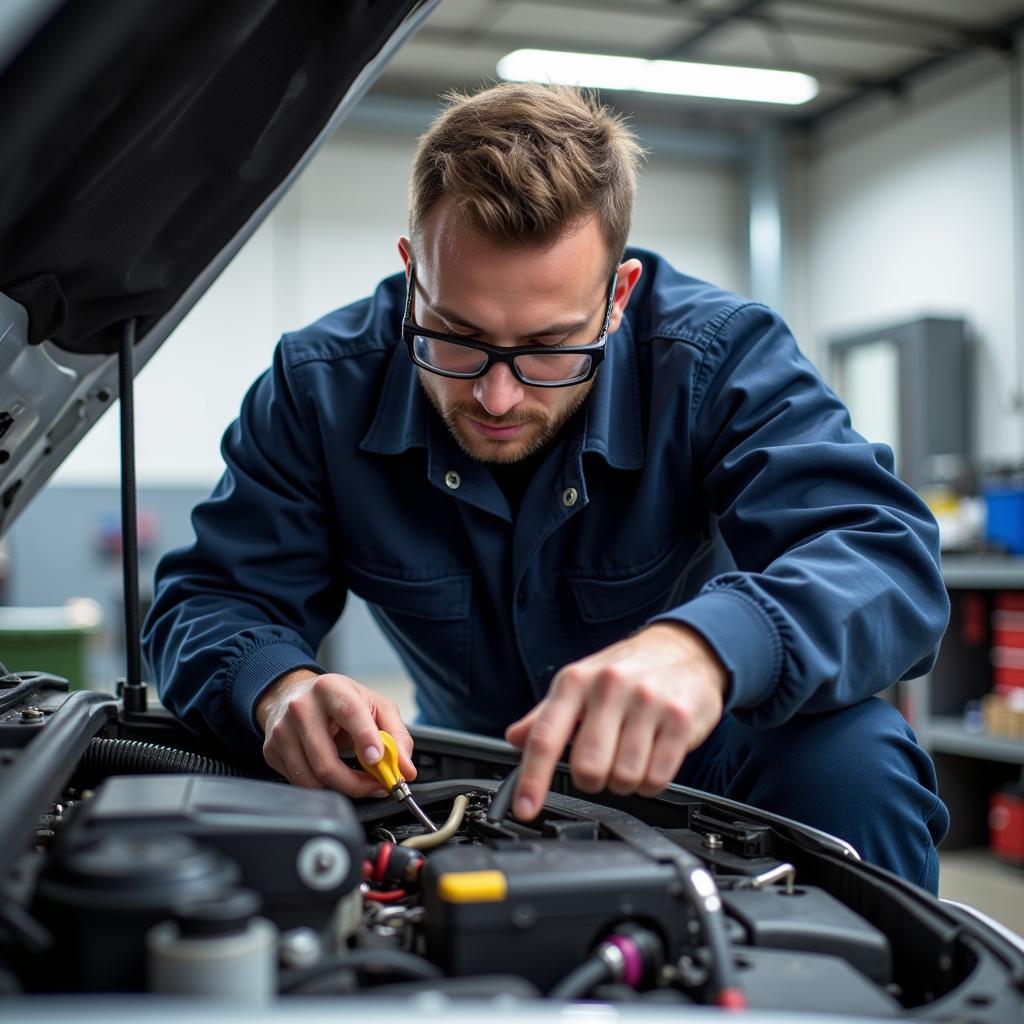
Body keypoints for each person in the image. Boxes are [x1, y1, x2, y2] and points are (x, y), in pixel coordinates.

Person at [143, 83, 950, 892]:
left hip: (694, 765)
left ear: (618, 298)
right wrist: (278, 690)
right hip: (453, 771)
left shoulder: (718, 356)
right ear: (411, 271)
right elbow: (209, 598)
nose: (498, 397)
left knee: (856, 763)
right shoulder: (317, 387)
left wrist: (707, 648)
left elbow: (883, 556)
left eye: (549, 347)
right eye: (455, 338)